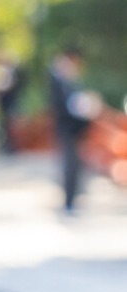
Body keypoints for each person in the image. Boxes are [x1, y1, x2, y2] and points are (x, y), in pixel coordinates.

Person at [48, 46, 102, 213]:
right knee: (70, 164)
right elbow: (64, 103)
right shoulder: (59, 78)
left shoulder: (71, 79)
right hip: (66, 127)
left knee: (75, 165)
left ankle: (72, 199)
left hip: (75, 127)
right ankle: (69, 201)